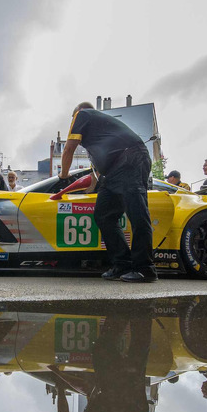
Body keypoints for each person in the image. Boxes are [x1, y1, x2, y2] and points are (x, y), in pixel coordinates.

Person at [59, 101, 156, 283]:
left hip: (130, 159)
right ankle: (122, 264)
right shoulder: (97, 136)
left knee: (137, 213)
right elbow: (95, 174)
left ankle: (145, 268)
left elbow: (68, 148)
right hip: (113, 171)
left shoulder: (83, 115)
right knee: (104, 215)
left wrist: (63, 176)